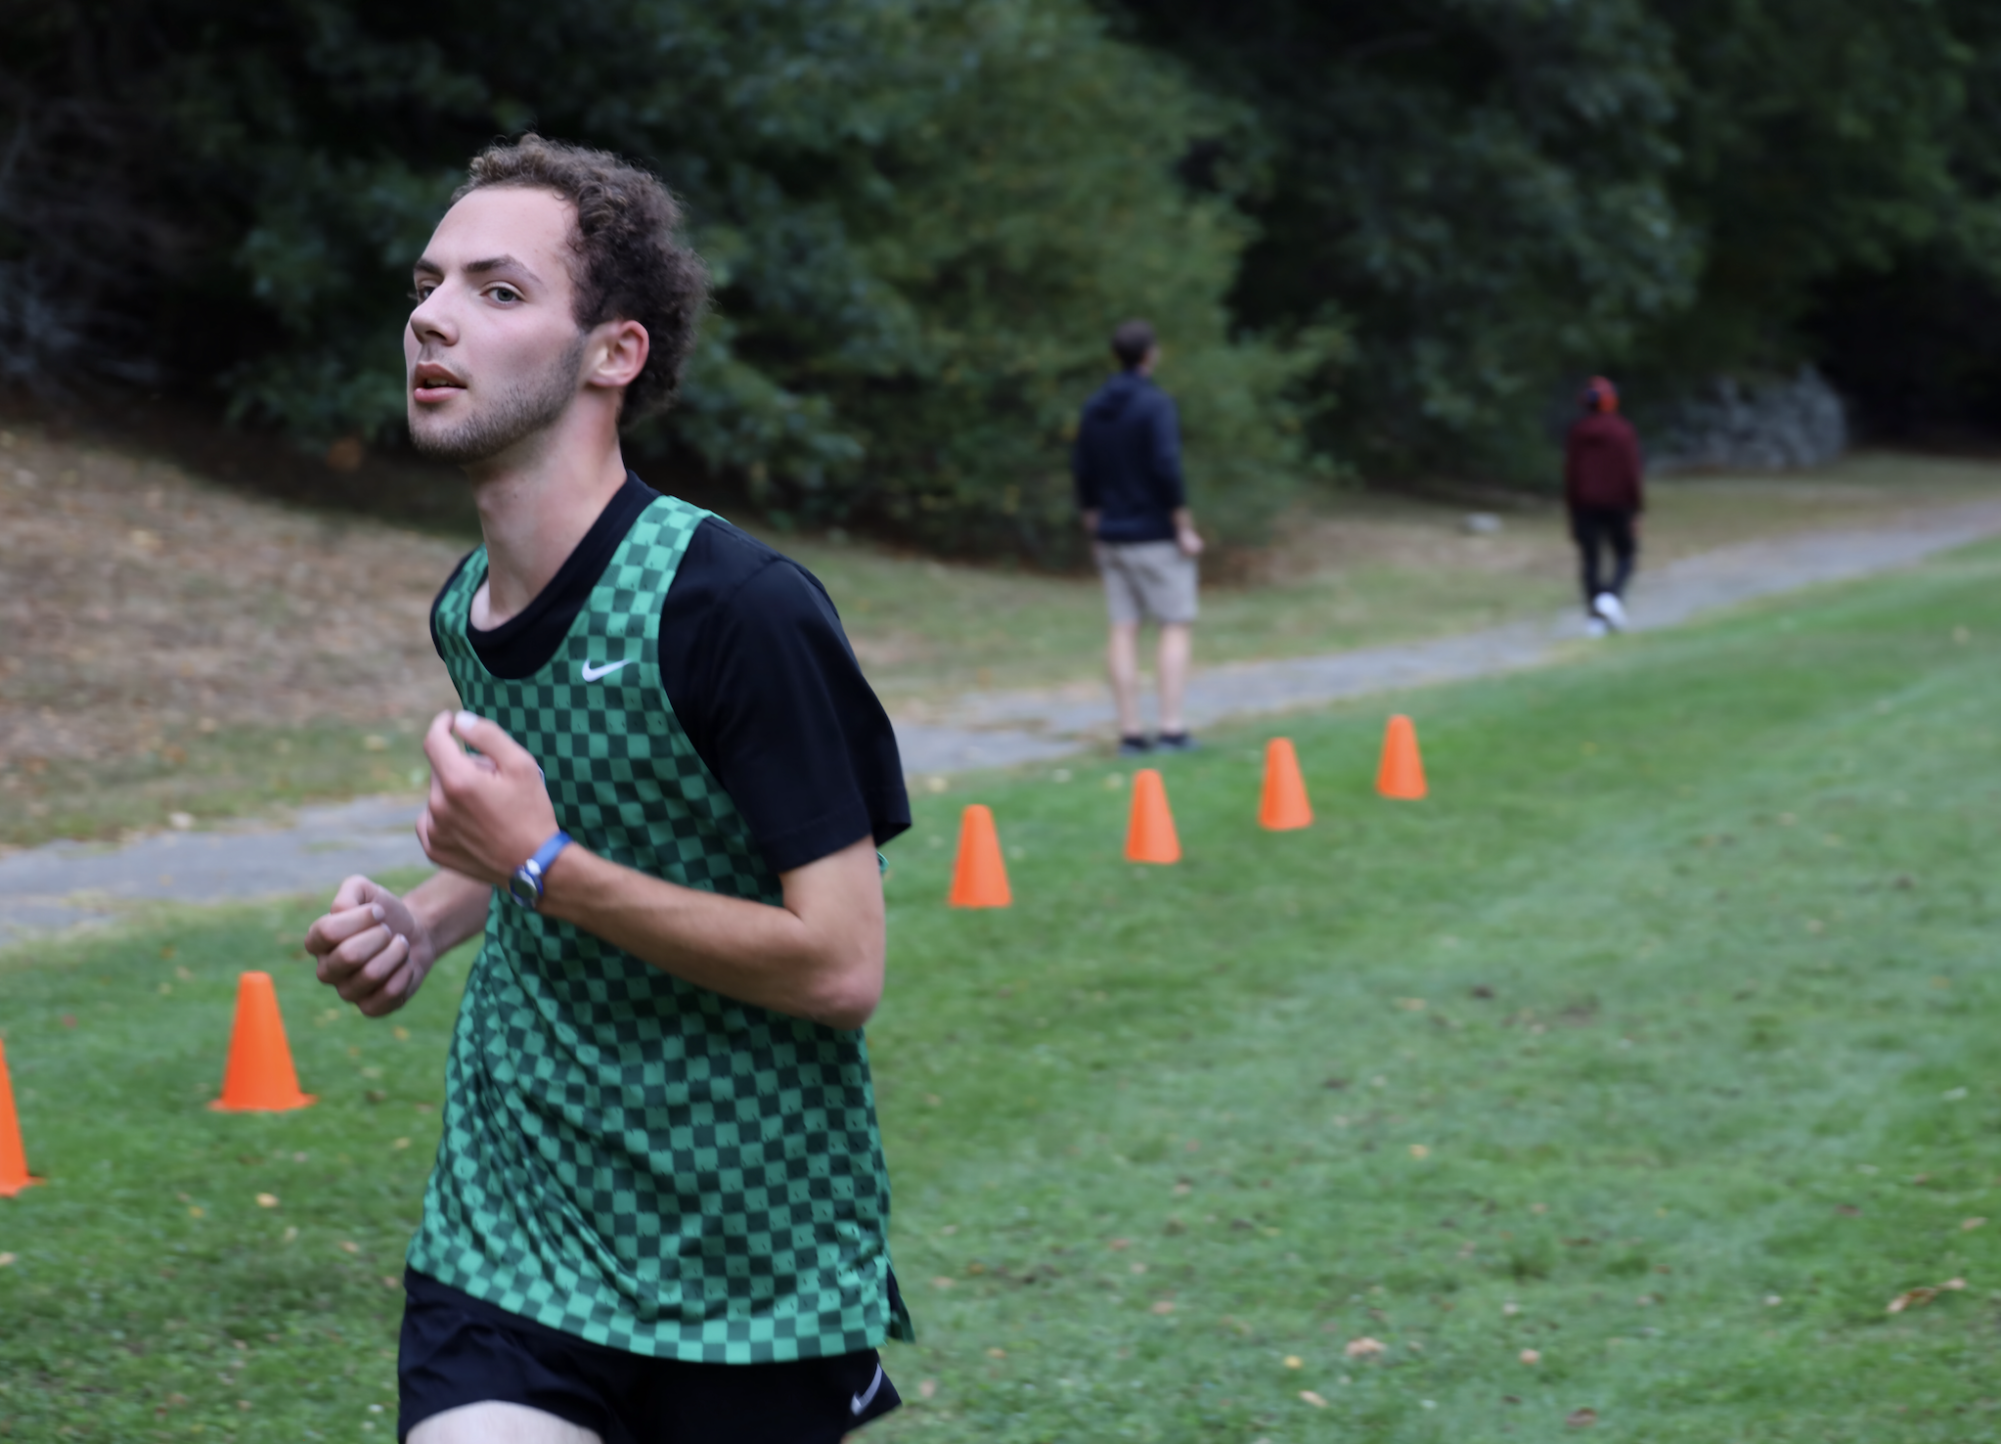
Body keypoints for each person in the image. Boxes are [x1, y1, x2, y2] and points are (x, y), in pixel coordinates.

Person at [302, 135, 912, 1444]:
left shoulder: (738, 610)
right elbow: (526, 839)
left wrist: (539, 868)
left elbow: (841, 965)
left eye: (496, 291)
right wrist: (424, 916)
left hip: (751, 1258)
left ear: (613, 353)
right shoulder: (466, 609)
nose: (432, 318)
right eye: (428, 284)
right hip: (509, 1229)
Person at [1072, 319, 1204, 755]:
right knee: (1174, 624)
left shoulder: (1094, 407)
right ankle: (1170, 729)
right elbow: (1167, 467)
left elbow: (1083, 470)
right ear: (1150, 354)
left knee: (1123, 628)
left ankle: (1130, 733)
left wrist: (1093, 522)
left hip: (1111, 533)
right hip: (1154, 535)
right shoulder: (1155, 404)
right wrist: (1183, 527)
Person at [1564, 375, 1645, 637]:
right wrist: (1636, 508)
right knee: (1626, 554)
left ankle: (1596, 617)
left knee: (1590, 560)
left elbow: (1571, 474)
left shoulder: (1578, 433)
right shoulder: (1623, 431)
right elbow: (1631, 471)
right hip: (1619, 503)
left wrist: (1572, 508)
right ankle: (1611, 598)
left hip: (1585, 504)